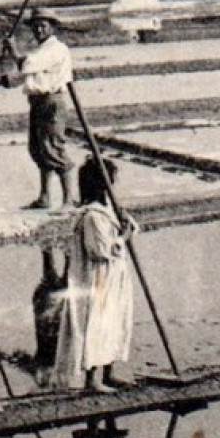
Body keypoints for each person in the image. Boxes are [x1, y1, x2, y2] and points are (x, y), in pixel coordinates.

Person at [56, 155, 139, 394]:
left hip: (114, 279)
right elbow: (100, 250)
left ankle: (109, 373)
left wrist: (125, 221)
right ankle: (93, 380)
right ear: (102, 185)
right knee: (97, 325)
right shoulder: (92, 216)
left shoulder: (107, 211)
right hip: (99, 280)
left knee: (114, 322)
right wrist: (122, 237)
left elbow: (130, 227)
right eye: (112, 182)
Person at [5, 7, 78, 209]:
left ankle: (69, 200)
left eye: (43, 26)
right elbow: (28, 68)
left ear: (52, 28)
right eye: (35, 26)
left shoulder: (56, 49)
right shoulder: (41, 49)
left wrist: (14, 52)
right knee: (38, 149)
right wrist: (13, 53)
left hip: (51, 103)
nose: (39, 30)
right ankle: (45, 197)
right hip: (38, 102)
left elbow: (28, 66)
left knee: (53, 149)